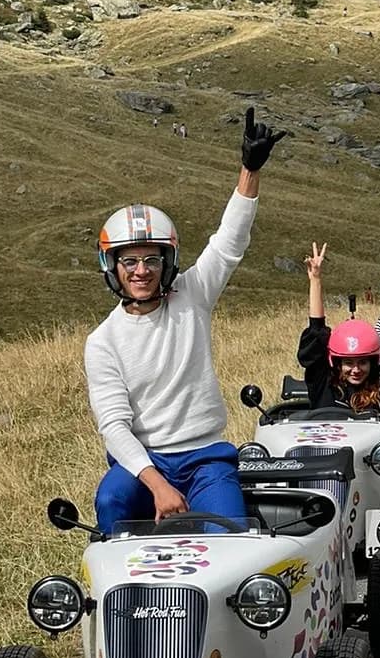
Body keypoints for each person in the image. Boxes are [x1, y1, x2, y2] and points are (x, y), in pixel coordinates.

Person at [84, 109, 286, 534]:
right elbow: (114, 428)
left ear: (168, 262)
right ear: (113, 268)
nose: (141, 271)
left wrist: (249, 171)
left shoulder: (193, 296)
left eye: (152, 259)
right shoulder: (103, 341)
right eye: (130, 261)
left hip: (206, 457)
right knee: (111, 500)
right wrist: (156, 484)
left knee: (232, 539)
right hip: (145, 462)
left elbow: (229, 243)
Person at [297, 242, 380, 429]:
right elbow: (316, 331)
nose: (356, 370)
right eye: (348, 363)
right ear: (337, 363)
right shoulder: (324, 388)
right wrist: (315, 279)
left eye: (362, 362)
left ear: (373, 362)